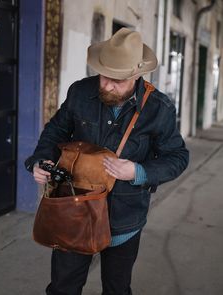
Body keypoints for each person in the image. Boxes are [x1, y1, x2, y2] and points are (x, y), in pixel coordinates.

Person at [25, 28, 189, 295]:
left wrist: (138, 171)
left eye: (118, 80)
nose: (108, 85)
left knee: (117, 288)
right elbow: (55, 131)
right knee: (62, 288)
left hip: (124, 219)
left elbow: (178, 157)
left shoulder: (159, 108)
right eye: (104, 77)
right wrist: (40, 160)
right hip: (74, 210)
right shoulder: (79, 92)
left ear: (137, 75)